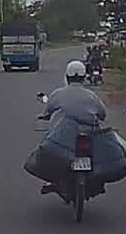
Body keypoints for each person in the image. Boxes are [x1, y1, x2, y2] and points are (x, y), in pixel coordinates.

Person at [35, 60, 108, 193]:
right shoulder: (91, 95)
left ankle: (52, 179)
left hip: (66, 133)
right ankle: (97, 180)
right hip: (89, 132)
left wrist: (45, 116)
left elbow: (48, 112)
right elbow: (102, 113)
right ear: (83, 77)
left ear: (67, 77)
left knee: (51, 148)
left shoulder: (58, 93)